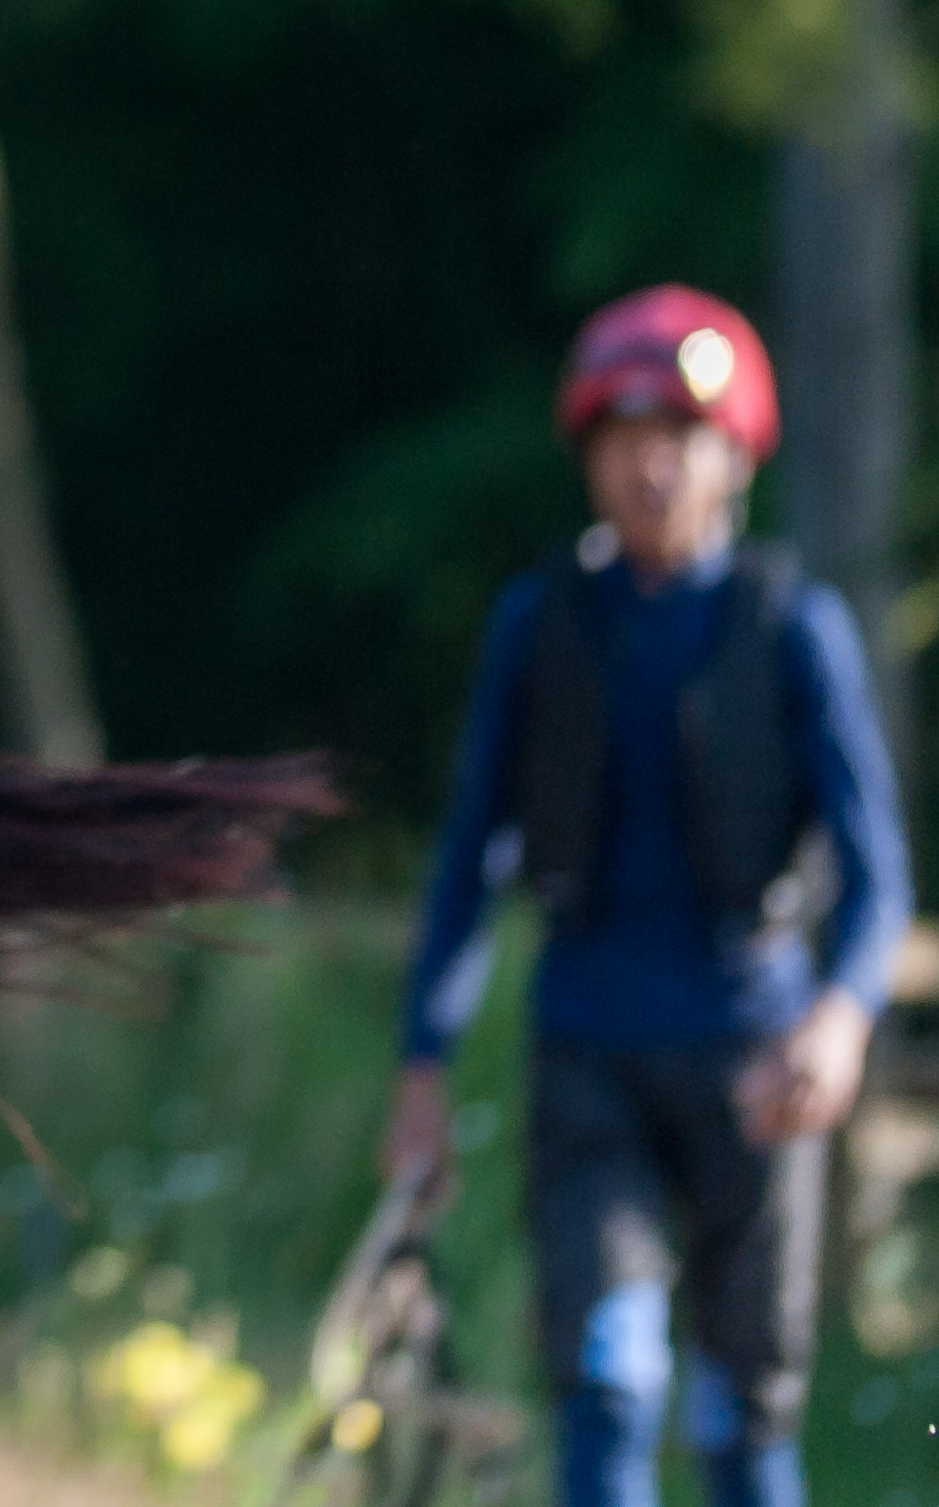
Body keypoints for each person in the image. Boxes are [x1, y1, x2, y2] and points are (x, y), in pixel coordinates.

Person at [382, 285, 910, 1507]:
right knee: (608, 1384)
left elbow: (876, 873)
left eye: (677, 439)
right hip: (589, 1058)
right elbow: (469, 852)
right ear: (586, 460)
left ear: (731, 459)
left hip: (752, 1062)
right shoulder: (537, 627)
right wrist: (421, 1064)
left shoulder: (790, 628)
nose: (650, 468)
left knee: (742, 1414)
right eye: (623, 441)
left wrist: (835, 1020)